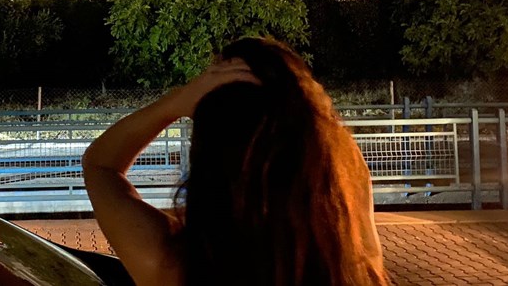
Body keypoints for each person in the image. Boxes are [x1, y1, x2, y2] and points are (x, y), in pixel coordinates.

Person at [82, 37, 388, 286]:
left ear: (206, 151)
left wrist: (177, 101)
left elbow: (100, 165)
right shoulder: (353, 261)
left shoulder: (171, 266)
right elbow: (351, 179)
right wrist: (314, 112)